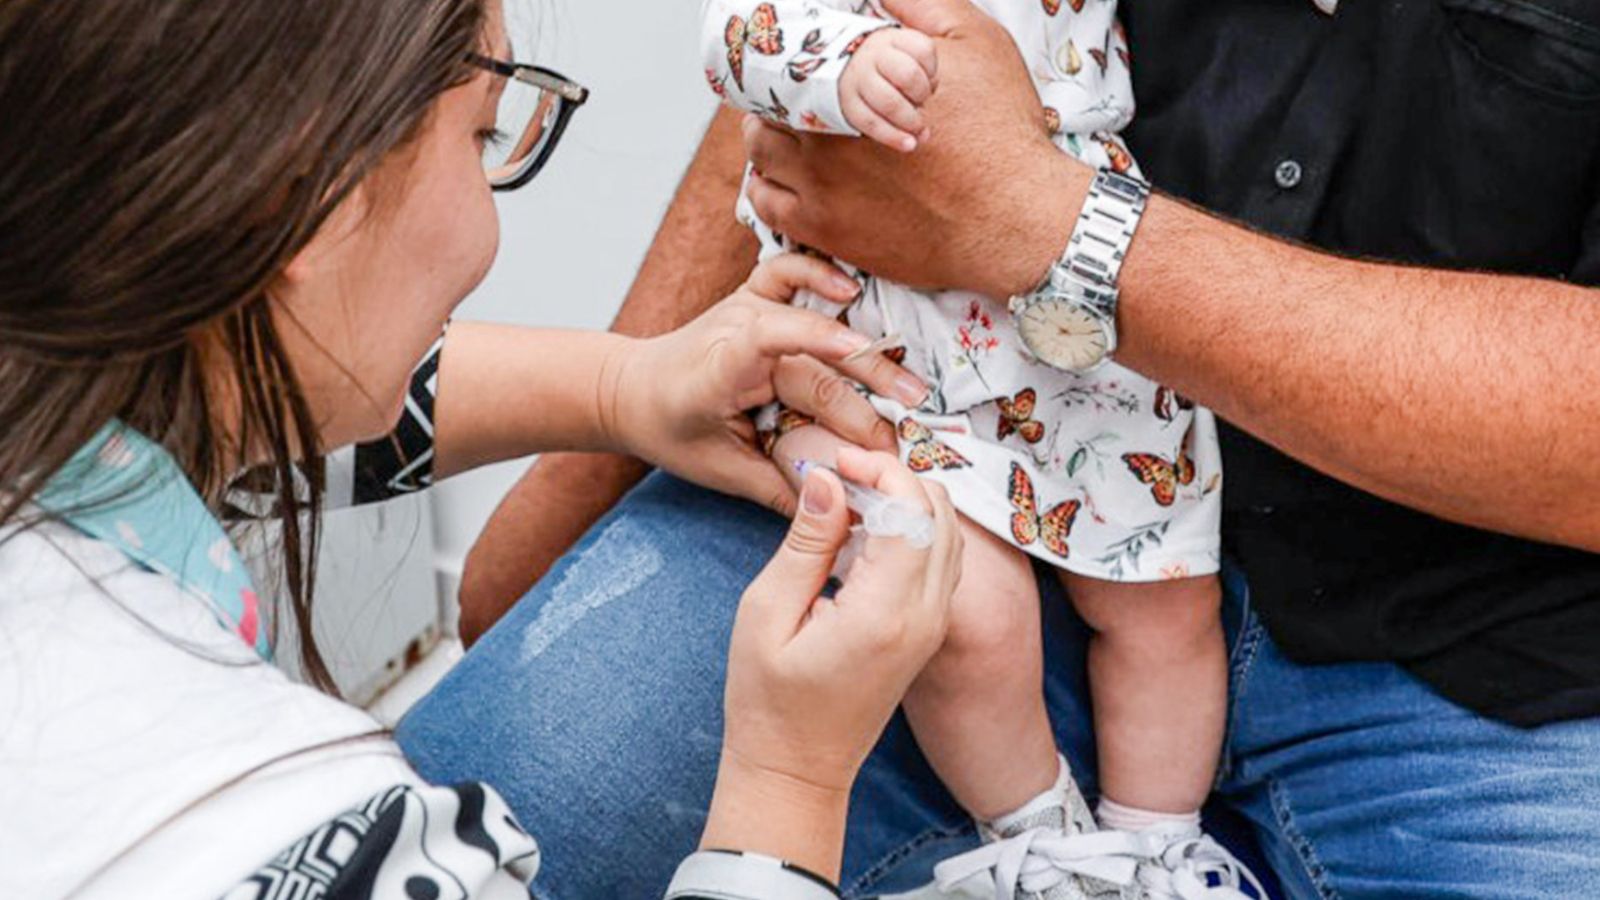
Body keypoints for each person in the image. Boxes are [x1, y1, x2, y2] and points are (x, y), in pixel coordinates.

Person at [437, 0, 1600, 896]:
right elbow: (838, 53)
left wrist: (1040, 219)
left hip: (1506, 654)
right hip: (979, 466)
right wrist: (590, 454)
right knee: (495, 799)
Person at [0, 1, 968, 897]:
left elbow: (241, 430)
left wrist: (622, 388)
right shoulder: (335, 844)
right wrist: (789, 778)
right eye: (483, 136)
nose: (488, 225)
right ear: (301, 193)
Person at [693, 0, 1250, 896]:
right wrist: (849, 64)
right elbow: (736, 35)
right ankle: (1043, 844)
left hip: (1080, 322)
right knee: (965, 610)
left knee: (1168, 603)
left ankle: (1160, 846)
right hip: (898, 353)